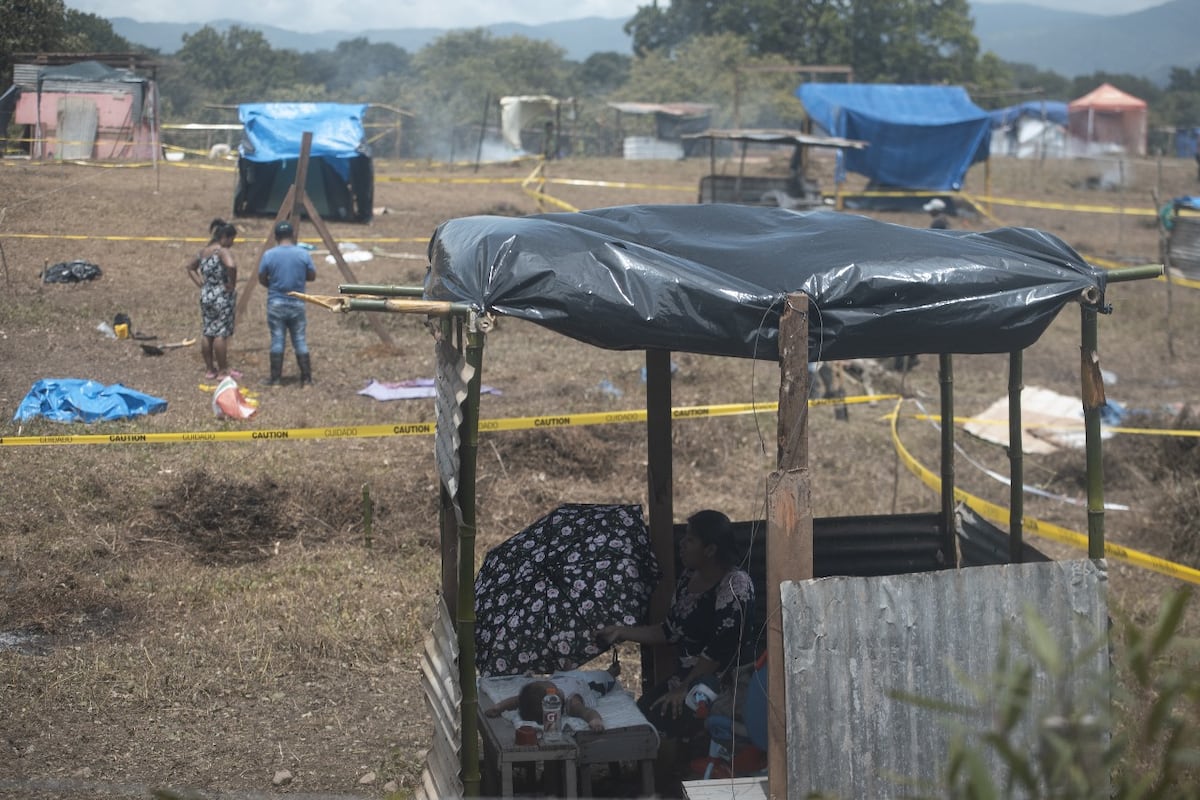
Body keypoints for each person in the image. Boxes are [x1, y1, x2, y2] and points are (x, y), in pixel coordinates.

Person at [597, 510, 755, 786]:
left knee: (666, 717)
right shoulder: (687, 580)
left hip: (724, 683)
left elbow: (719, 652)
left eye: (690, 539)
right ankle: (651, 783)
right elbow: (668, 631)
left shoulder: (735, 585)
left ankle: (675, 783)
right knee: (643, 712)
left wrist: (683, 690)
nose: (681, 544)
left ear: (710, 549)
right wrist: (622, 631)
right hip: (686, 679)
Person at [258, 219, 316, 387]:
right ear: (293, 235)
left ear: (276, 236)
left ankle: (275, 380)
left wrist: (273, 286)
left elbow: (262, 277)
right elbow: (312, 276)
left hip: (276, 302)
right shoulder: (303, 254)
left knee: (277, 339)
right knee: (299, 339)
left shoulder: (269, 255)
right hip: (297, 302)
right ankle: (306, 380)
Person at [484, 662, 621, 732]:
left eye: (545, 682)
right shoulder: (572, 703)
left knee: (562, 672)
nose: (550, 684)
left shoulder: (550, 688)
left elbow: (516, 700)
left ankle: (569, 668)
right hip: (588, 684)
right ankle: (611, 672)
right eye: (554, 690)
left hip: (565, 677)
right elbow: (587, 712)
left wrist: (499, 707)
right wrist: (595, 721)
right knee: (603, 677)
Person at [185, 218, 239, 380]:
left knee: (208, 331)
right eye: (231, 240)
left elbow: (190, 267)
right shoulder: (221, 251)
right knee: (220, 334)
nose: (231, 244)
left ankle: (210, 369)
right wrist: (232, 283)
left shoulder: (203, 252)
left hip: (207, 294)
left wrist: (201, 284)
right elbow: (231, 266)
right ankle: (223, 371)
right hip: (221, 295)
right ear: (225, 237)